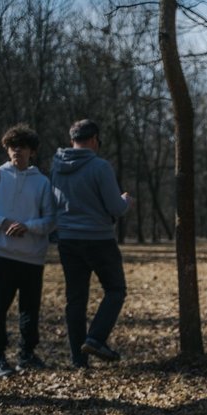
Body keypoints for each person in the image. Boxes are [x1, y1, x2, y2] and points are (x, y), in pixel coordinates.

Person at [0, 124, 57, 378]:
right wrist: (3, 221)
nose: (17, 150)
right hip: (2, 254)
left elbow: (51, 220)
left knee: (29, 309)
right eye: (12, 146)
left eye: (23, 146)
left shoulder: (42, 182)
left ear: (32, 151)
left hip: (33, 257)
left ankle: (26, 355)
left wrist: (28, 226)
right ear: (7, 149)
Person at [50, 119, 133, 368]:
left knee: (76, 299)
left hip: (68, 240)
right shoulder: (100, 166)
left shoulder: (56, 167)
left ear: (72, 139)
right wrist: (126, 200)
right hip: (98, 240)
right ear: (95, 139)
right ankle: (96, 338)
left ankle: (79, 360)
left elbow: (54, 203)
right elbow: (115, 208)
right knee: (116, 290)